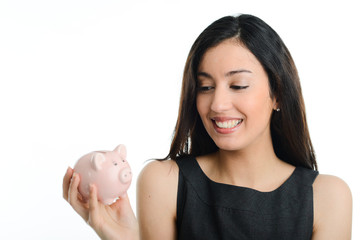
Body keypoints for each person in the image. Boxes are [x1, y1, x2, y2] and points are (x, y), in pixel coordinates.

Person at [63, 14, 352, 239]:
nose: (217, 104)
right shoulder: (163, 181)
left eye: (238, 85)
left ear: (277, 94)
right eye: (205, 86)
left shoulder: (328, 197)